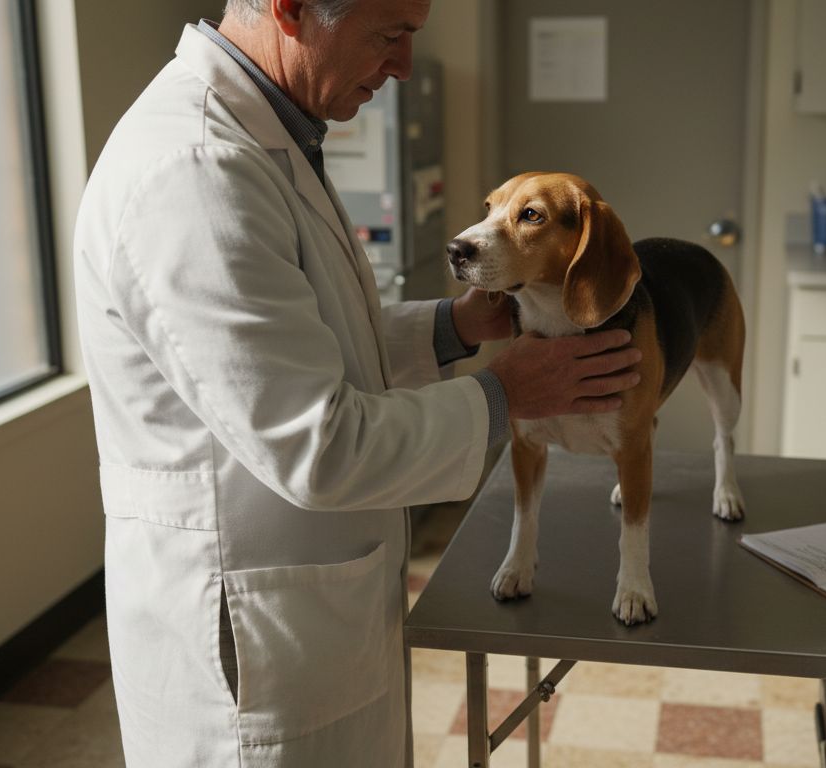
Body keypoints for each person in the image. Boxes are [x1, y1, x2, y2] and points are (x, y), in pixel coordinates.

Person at [71, 0, 641, 764]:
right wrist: (508, 395)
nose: (404, 65)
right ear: (292, 9)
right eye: (390, 34)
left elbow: (305, 347)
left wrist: (454, 328)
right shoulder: (198, 172)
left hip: (308, 610)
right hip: (251, 636)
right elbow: (319, 445)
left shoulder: (272, 137)